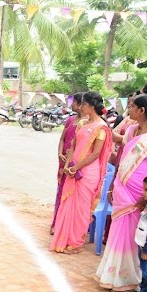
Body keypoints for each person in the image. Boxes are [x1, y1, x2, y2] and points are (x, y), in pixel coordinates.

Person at [95, 94, 147, 292]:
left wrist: (145, 198)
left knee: (134, 235)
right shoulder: (131, 130)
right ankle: (113, 275)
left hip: (142, 193)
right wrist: (113, 185)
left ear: (142, 111)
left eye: (132, 106)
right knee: (118, 232)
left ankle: (129, 280)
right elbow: (122, 160)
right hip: (123, 189)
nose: (128, 109)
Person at [50, 92, 113, 253]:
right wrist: (68, 165)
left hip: (87, 173)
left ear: (92, 106)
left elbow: (95, 154)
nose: (81, 106)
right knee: (68, 203)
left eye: (84, 104)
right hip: (73, 168)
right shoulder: (82, 123)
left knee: (81, 208)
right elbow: (73, 146)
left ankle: (76, 242)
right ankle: (64, 239)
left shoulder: (101, 128)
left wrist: (76, 168)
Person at [51, 92, 87, 235]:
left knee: (71, 195)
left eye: (74, 102)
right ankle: (56, 223)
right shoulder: (70, 120)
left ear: (80, 105)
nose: (71, 105)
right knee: (60, 193)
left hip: (75, 164)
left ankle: (67, 227)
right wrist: (60, 153)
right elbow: (62, 139)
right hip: (63, 162)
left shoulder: (87, 123)